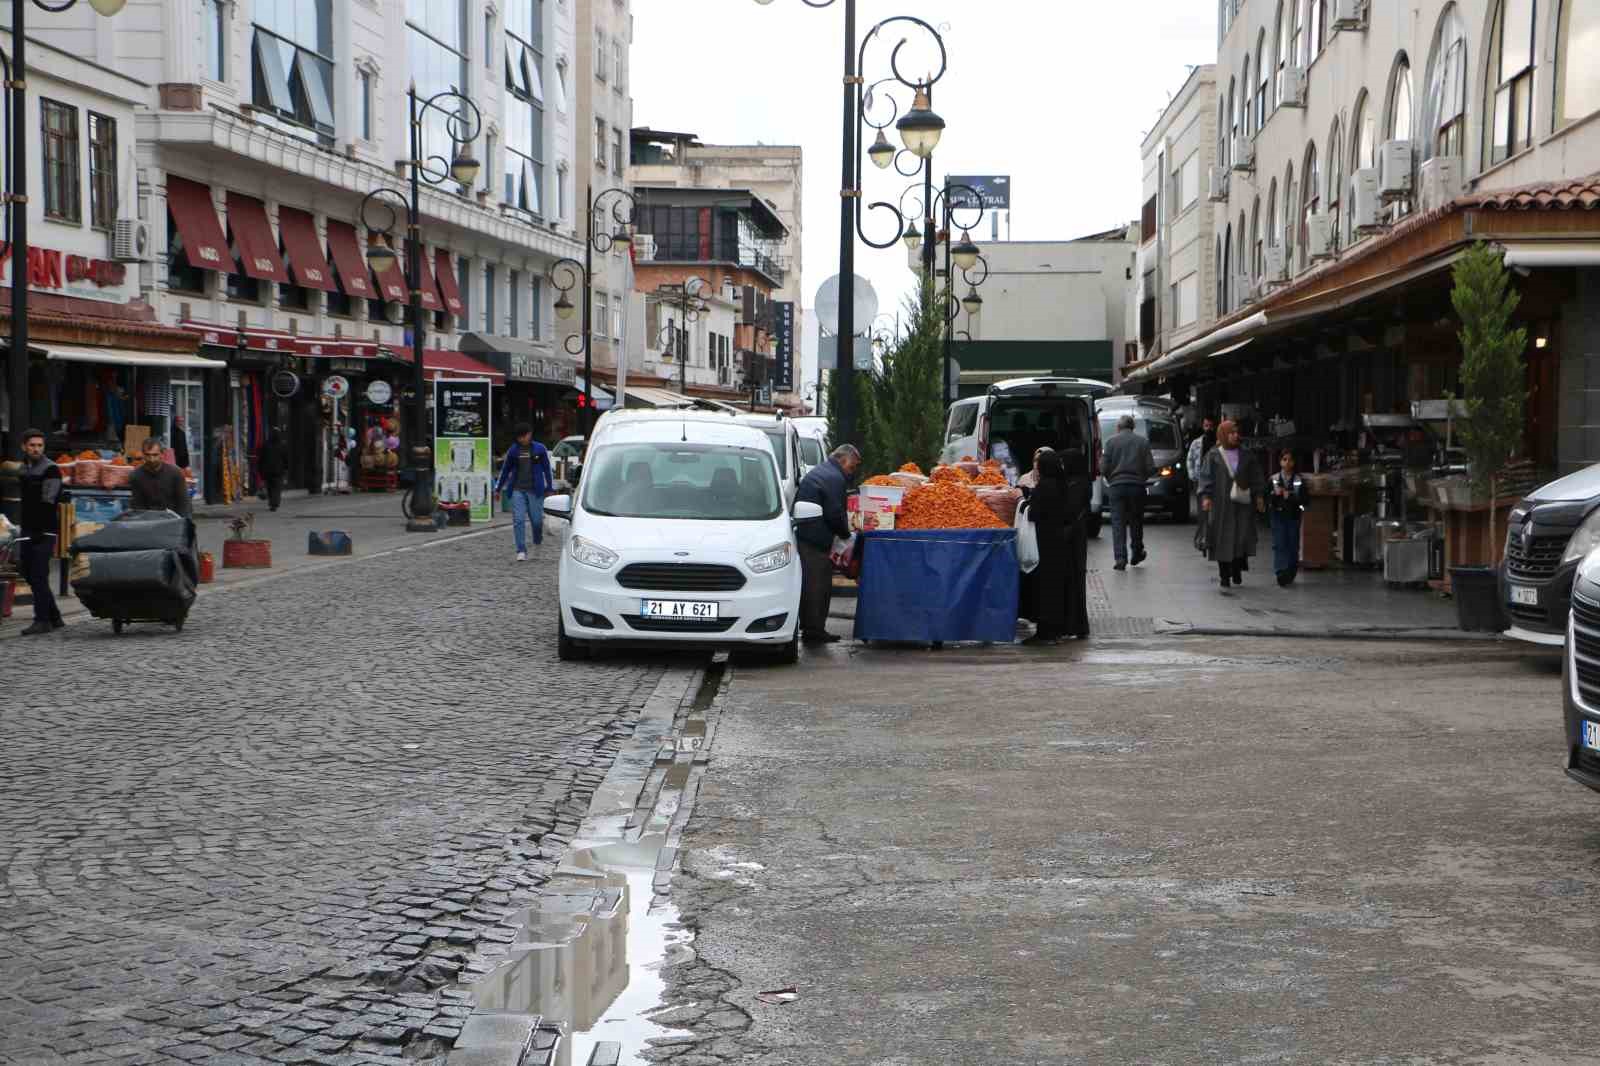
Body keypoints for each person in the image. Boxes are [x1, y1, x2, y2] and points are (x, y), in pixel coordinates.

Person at [1021, 450, 1092, 644]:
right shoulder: (1063, 485)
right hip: (1059, 544)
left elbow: (1035, 513)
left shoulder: (1045, 487)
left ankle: (1045, 633)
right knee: (1057, 588)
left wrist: (1025, 503)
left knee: (1045, 588)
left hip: (1046, 544)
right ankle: (1055, 629)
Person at [794, 443, 861, 645]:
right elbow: (835, 513)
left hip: (809, 536)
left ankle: (812, 628)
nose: (853, 472)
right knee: (817, 585)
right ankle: (814, 631)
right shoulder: (834, 478)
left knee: (814, 584)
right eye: (852, 467)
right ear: (842, 460)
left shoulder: (826, 471)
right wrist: (846, 534)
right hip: (814, 541)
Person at [1197, 419, 1266, 592]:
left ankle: (1237, 567)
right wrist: (1206, 496)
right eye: (1232, 432)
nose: (1236, 435)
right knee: (1222, 537)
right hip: (1221, 504)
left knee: (1241, 536)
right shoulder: (1213, 455)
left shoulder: (1247, 454)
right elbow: (1206, 477)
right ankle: (1224, 576)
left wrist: (1258, 496)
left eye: (1236, 432)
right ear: (1223, 434)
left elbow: (1256, 476)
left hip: (1243, 503)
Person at [16, 429, 65, 634]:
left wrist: (39, 530)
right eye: (32, 445)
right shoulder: (23, 469)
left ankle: (42, 620)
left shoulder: (51, 469)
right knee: (28, 572)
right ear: (24, 447)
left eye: (39, 445)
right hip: (27, 528)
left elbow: (49, 501)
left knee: (38, 574)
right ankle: (54, 616)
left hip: (45, 530)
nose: (36, 449)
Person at [1102, 413, 1154, 571]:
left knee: (1118, 522)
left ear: (1118, 428)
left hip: (1116, 487)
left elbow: (1103, 468)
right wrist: (1141, 478)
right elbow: (1150, 467)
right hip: (1137, 487)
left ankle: (1120, 558)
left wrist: (1112, 479)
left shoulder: (1110, 442)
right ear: (1133, 427)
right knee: (1136, 521)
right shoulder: (1143, 442)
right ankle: (1137, 553)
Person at [495, 423, 553, 561]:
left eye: (524, 436)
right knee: (518, 520)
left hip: (535, 490)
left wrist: (550, 487)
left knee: (537, 521)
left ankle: (537, 543)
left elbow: (547, 469)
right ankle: (521, 550)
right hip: (517, 490)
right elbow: (505, 470)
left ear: (530, 434)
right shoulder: (513, 451)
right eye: (520, 437)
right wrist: (498, 488)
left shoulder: (539, 449)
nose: (522, 439)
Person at [1268, 450, 1309, 587]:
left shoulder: (1299, 480)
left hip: (1293, 516)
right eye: (1284, 459)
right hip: (1277, 515)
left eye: (1290, 460)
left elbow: (1305, 502)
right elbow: (1267, 497)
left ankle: (1291, 570)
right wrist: (1274, 494)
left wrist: (1290, 497)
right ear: (1280, 462)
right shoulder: (1273, 479)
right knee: (1279, 543)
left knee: (1292, 544)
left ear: (1294, 462)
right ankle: (1280, 572)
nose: (1287, 463)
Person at [129, 437, 192, 516]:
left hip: (172, 520)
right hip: (148, 521)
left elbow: (183, 502)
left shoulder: (175, 473)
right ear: (143, 454)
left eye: (155, 455)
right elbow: (137, 505)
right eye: (147, 455)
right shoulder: (136, 475)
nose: (151, 459)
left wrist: (183, 522)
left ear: (162, 454)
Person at [257, 426, 289, 511]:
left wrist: (260, 469)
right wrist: (286, 468)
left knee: (270, 487)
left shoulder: (266, 444)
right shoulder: (282, 445)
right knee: (277, 488)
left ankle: (272, 502)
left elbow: (261, 458)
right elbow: (286, 458)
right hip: (279, 471)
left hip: (267, 471)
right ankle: (274, 503)